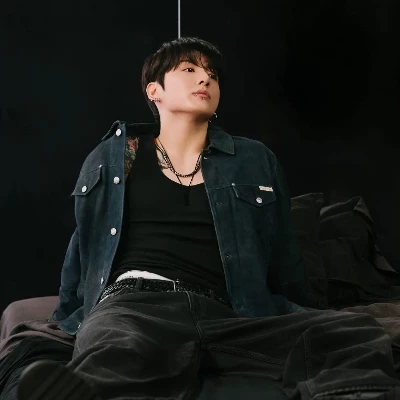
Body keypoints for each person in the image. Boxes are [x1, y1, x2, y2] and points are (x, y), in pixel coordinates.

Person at [2, 36, 400, 400]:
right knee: (116, 349)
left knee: (354, 334)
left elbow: (284, 254)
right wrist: (72, 318)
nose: (205, 78)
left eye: (212, 74)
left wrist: (301, 313)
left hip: (230, 314)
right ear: (154, 91)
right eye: (189, 69)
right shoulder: (113, 157)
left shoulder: (253, 158)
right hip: (136, 306)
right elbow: (84, 244)